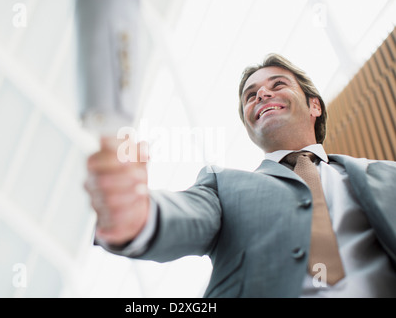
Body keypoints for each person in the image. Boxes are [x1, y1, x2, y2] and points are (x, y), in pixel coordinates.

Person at [84, 53, 396, 297]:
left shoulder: (386, 174)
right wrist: (139, 212)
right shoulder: (223, 184)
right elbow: (185, 216)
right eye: (250, 95)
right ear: (249, 125)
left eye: (277, 85)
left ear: (314, 105)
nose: (261, 94)